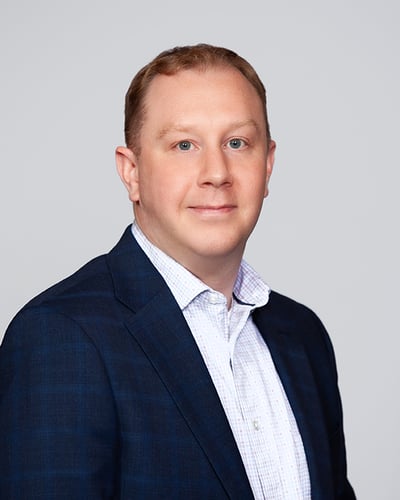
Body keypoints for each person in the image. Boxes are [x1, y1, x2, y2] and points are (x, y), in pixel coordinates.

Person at [0, 44, 355, 499]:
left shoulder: (302, 336)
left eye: (237, 143)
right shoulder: (61, 337)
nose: (216, 173)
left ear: (267, 166)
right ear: (132, 172)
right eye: (184, 145)